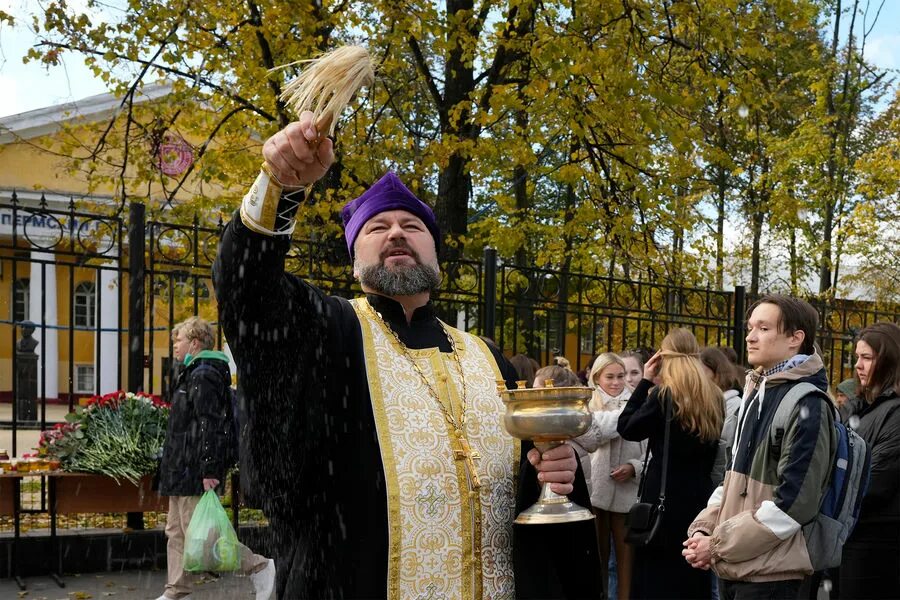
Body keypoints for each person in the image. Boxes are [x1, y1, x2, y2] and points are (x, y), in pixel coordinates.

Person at [212, 112, 599, 598]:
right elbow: (245, 288)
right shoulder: (324, 330)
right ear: (355, 262)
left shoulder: (487, 358)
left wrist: (555, 467)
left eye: (412, 225)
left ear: (435, 256)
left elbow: (528, 481)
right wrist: (280, 185)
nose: (396, 233)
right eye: (377, 228)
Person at [683, 295, 837, 600]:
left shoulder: (808, 404)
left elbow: (794, 505)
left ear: (796, 339)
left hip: (773, 576)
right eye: (750, 327)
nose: (751, 337)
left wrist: (716, 544)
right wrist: (703, 529)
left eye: (764, 328)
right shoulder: (756, 392)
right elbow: (731, 480)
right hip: (737, 566)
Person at [156, 317, 274, 600]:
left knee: (207, 540)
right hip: (180, 468)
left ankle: (259, 566)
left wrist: (210, 468)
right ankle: (176, 590)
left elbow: (211, 423)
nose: (175, 345)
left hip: (194, 469)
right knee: (176, 532)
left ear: (194, 343)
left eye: (179, 340)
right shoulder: (192, 373)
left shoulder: (204, 374)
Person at [618, 328, 724, 599]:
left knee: (657, 578)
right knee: (690, 573)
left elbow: (627, 427)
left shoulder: (664, 397)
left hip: (663, 500)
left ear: (664, 357)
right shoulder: (714, 396)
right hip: (699, 498)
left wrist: (645, 381)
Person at [839, 322, 900, 599]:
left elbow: (873, 482)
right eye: (856, 358)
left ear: (888, 361)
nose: (858, 366)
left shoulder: (895, 413)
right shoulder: (857, 407)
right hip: (848, 533)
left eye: (866, 358)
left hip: (876, 541)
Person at [577, 352, 643, 600]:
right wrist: (627, 418)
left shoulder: (637, 404)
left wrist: (634, 466)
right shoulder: (586, 404)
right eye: (610, 377)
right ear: (596, 378)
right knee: (597, 560)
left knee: (627, 564)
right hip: (595, 494)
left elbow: (650, 453)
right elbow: (590, 434)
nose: (616, 382)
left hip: (627, 495)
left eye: (620, 376)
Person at [700, 346, 743, 482]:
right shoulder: (701, 402)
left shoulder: (733, 405)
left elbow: (723, 454)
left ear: (717, 373)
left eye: (702, 372)